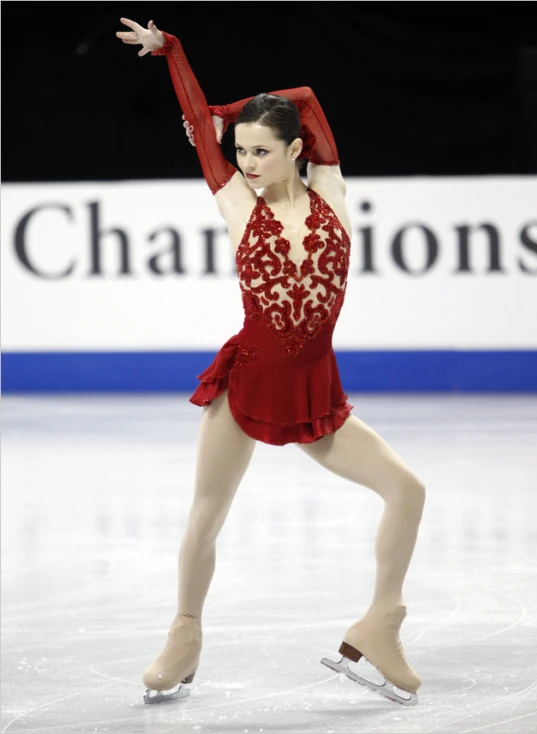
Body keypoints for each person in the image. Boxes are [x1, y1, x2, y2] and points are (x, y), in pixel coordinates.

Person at [116, 17, 426, 707]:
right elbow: (197, 121)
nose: (247, 163)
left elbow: (309, 96)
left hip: (316, 390)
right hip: (248, 381)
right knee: (206, 514)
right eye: (240, 152)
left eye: (260, 151)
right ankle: (185, 633)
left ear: (295, 149)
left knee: (407, 491)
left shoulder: (333, 197)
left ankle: (380, 622)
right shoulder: (234, 204)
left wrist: (235, 109)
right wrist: (174, 53)